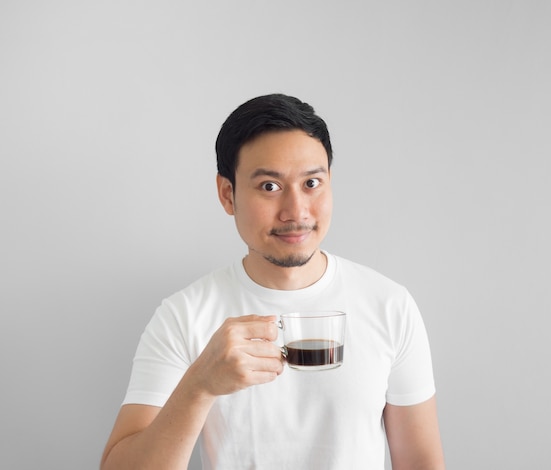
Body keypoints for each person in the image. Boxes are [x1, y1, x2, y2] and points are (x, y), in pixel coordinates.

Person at [100, 93, 445, 470]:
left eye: (312, 183)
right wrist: (199, 385)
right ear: (227, 194)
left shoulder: (389, 305)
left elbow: (420, 462)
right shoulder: (184, 315)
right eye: (269, 186)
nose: (296, 212)